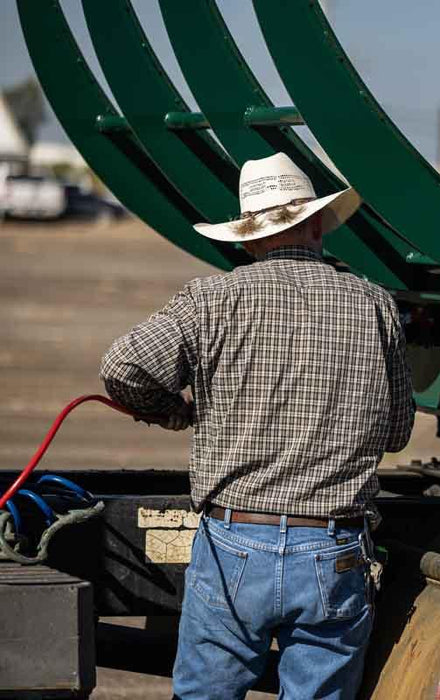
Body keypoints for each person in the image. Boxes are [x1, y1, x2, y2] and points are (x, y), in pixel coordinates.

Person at [99, 152, 415, 699]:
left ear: (246, 239)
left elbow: (122, 367)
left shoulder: (212, 299)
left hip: (235, 541)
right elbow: (397, 431)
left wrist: (180, 413)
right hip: (332, 546)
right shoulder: (375, 305)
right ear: (317, 223)